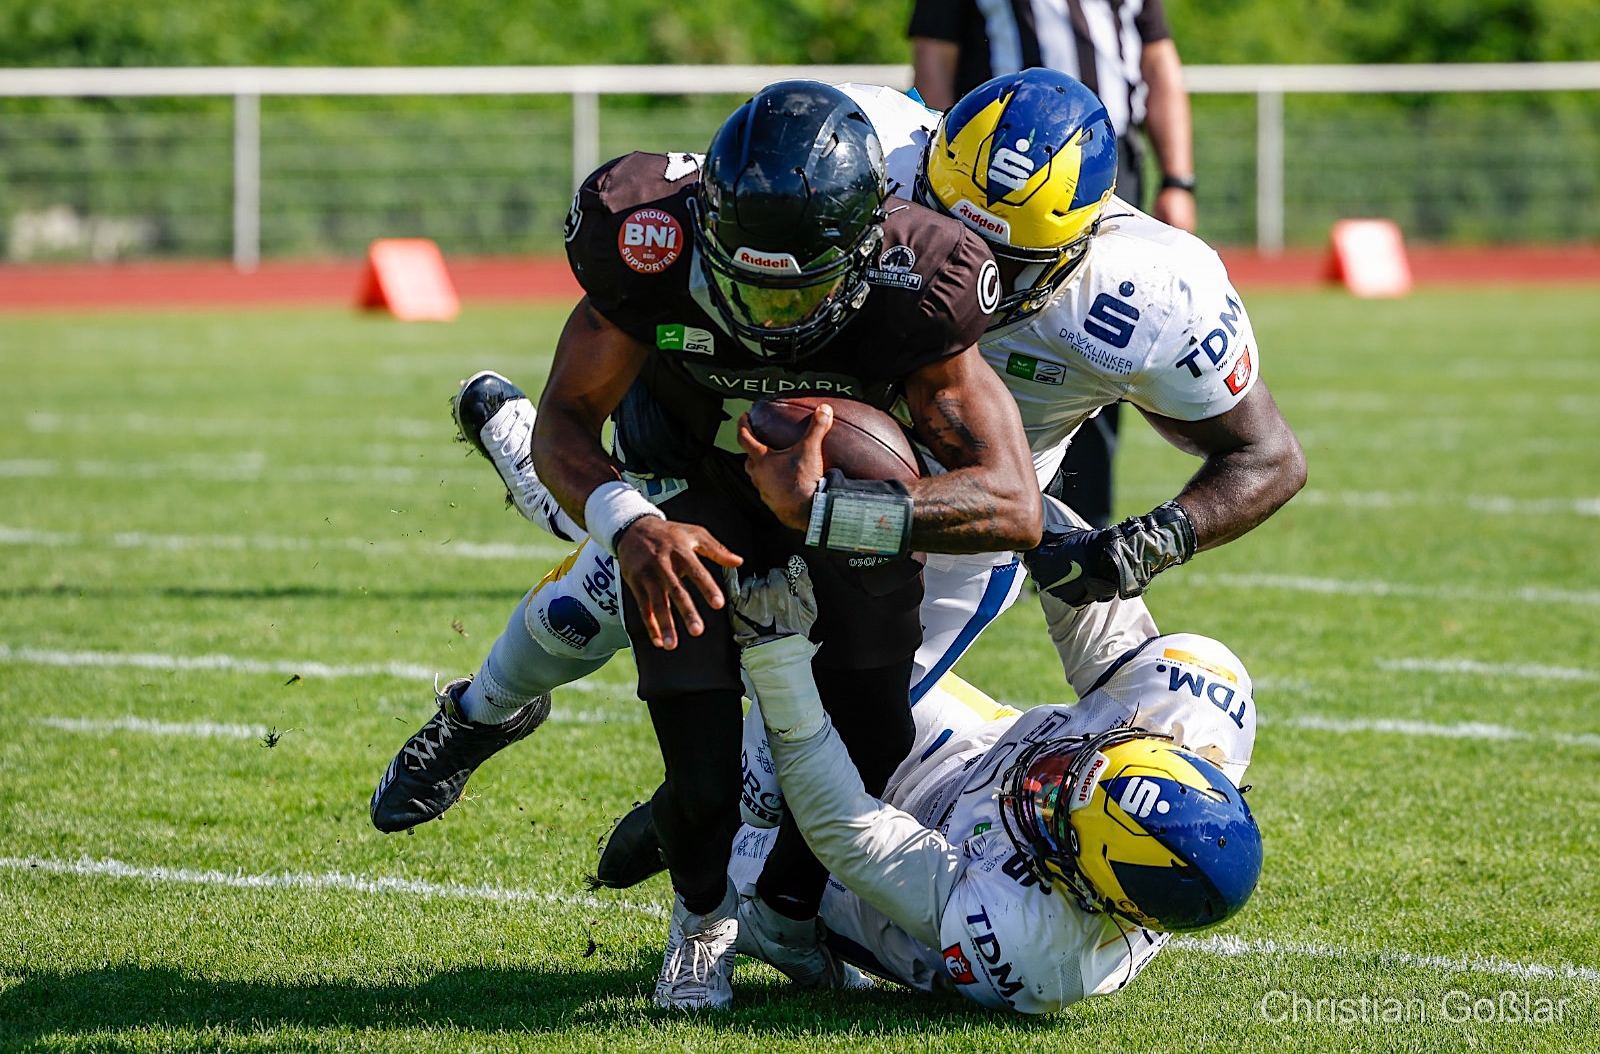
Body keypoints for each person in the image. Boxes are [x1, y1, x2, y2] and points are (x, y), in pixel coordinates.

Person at [371, 67, 1300, 884]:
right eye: (935, 218)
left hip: (944, 513)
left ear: (1079, 244)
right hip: (772, 423)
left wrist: (1152, 541)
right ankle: (486, 704)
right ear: (922, 167)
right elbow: (714, 217)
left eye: (1005, 259)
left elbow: (1267, 455)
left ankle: (702, 833)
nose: (964, 259)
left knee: (812, 762)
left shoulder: (1153, 294)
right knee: (617, 586)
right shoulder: (858, 138)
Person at [376, 79, 1043, 1013]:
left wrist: (828, 511)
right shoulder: (646, 238)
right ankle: (698, 920)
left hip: (835, 499)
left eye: (799, 290)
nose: (770, 316)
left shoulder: (920, 281)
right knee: (692, 758)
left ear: (866, 249)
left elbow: (1015, 505)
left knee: (876, 733)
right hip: (683, 480)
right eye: (748, 282)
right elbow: (569, 419)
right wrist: (631, 521)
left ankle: (787, 909)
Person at [662, 556, 1261, 1013]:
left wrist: (776, 657)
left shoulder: (1033, 941)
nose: (1050, 777)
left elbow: (844, 828)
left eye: (1056, 804)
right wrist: (1044, 528)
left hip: (933, 896)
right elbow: (1086, 591)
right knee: (837, 679)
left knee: (739, 865)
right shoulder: (1189, 705)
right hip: (972, 758)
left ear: (1097, 893)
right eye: (1087, 758)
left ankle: (787, 933)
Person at [910, 0, 1198, 529]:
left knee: (1099, 357)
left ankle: (1076, 537)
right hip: (985, 180)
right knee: (966, 347)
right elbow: (935, 57)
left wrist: (1178, 177)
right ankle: (964, 513)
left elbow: (1157, 58)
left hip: (1098, 178)